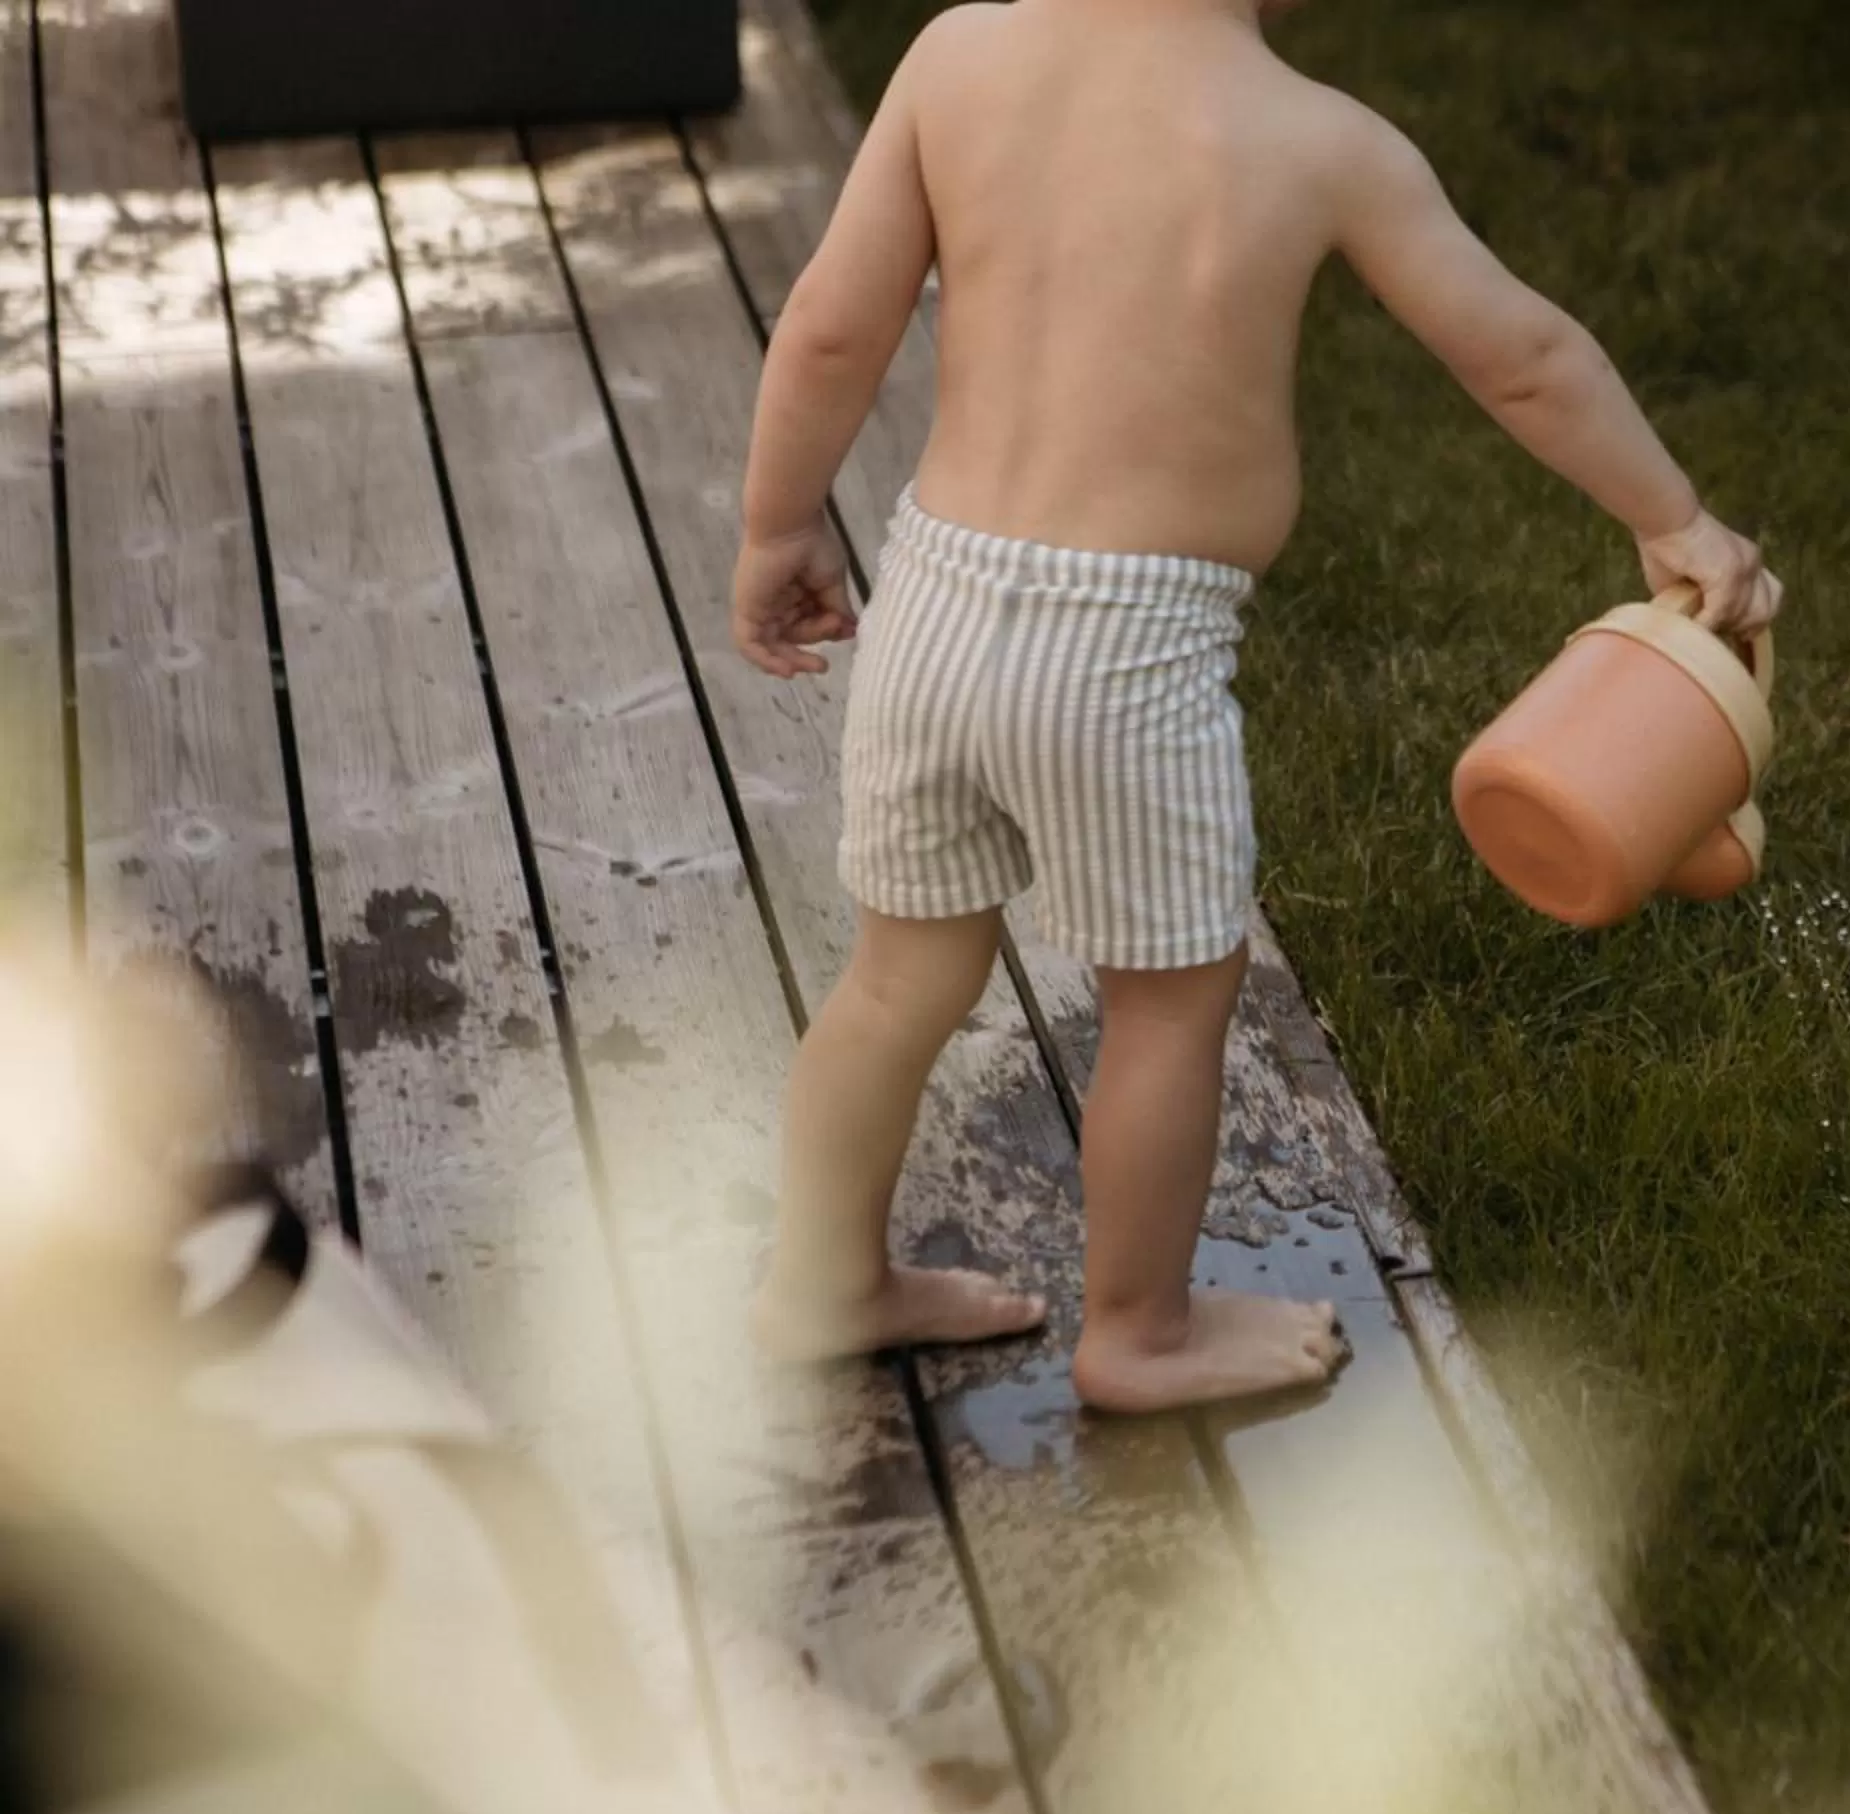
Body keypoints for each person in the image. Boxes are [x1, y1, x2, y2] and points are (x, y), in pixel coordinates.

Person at [730, 0, 1782, 1412]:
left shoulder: (961, 52)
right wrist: (1676, 516)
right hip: (1130, 652)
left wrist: (776, 528)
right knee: (1170, 1001)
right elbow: (1521, 356)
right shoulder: (1318, 140)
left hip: (933, 600)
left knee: (900, 978)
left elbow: (827, 333)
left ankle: (820, 1280)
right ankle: (1140, 1330)